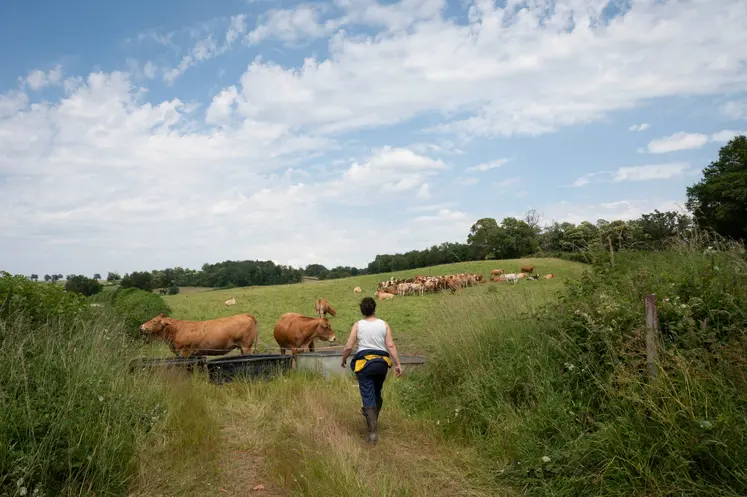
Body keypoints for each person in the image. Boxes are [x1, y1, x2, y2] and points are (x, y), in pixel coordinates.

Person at [341, 296, 402, 444]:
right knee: (376, 393)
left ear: (362, 310)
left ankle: (372, 433)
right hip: (382, 364)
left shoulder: (358, 325)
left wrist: (343, 359)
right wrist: (398, 364)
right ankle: (372, 417)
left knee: (368, 395)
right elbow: (391, 345)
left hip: (365, 365)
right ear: (374, 309)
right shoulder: (384, 324)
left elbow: (349, 346)